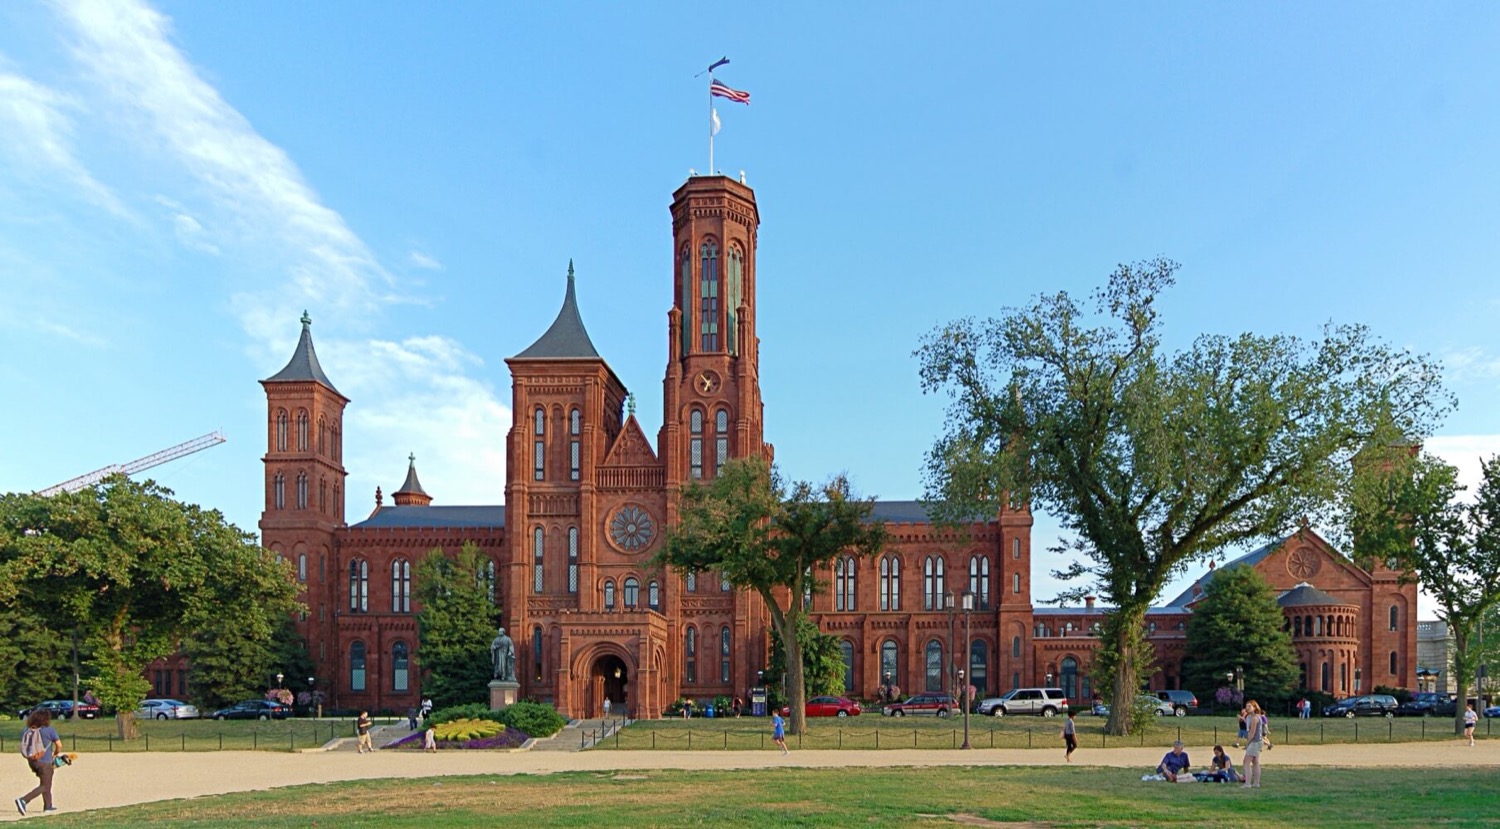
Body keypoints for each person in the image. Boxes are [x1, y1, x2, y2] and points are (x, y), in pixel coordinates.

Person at [16, 708, 62, 815]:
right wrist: (55, 754)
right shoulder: (49, 730)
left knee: (46, 783)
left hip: (32, 761)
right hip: (45, 762)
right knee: (45, 785)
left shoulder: (26, 730)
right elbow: (59, 745)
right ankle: (23, 800)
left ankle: (48, 806)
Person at [1241, 699, 1267, 788]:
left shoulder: (1255, 718)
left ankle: (1247, 783)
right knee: (1255, 762)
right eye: (1246, 706)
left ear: (1254, 707)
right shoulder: (1254, 717)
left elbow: (1251, 733)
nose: (1247, 708)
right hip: (1258, 741)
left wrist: (1247, 744)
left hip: (1255, 742)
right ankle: (1256, 783)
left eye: (1249, 706)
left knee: (1246, 762)